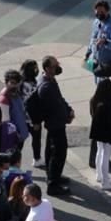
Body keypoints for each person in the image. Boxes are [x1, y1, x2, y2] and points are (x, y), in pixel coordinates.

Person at [37, 56, 74, 196]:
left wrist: (68, 109)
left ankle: (53, 176)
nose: (57, 67)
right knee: (58, 153)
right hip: (55, 124)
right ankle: (53, 184)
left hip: (56, 122)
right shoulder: (46, 86)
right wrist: (66, 116)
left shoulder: (50, 80)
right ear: (47, 68)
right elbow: (55, 107)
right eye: (54, 65)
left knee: (50, 151)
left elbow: (60, 99)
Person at [88, 79, 111, 191]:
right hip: (107, 134)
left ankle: (99, 175)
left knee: (99, 153)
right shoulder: (107, 105)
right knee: (105, 156)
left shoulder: (94, 100)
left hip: (98, 133)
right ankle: (106, 181)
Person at [87, 0, 111, 77]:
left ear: (107, 11)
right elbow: (93, 38)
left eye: (102, 12)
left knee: (103, 85)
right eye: (97, 12)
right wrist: (88, 52)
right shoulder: (96, 22)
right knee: (96, 79)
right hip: (95, 59)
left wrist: (105, 42)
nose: (99, 14)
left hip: (106, 63)